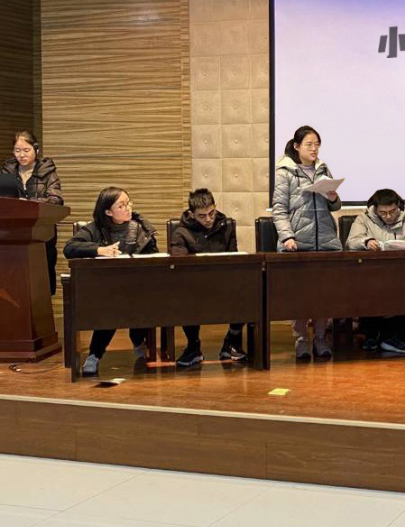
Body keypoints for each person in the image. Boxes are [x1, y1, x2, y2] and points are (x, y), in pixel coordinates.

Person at [63, 187, 157, 376]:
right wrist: (99, 250)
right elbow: (69, 248)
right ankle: (95, 354)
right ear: (108, 211)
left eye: (128, 203)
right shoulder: (95, 228)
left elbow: (153, 255)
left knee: (145, 300)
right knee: (112, 307)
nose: (128, 208)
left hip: (137, 286)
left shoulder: (140, 228)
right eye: (121, 205)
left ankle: (138, 340)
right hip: (105, 288)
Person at [272, 125, 342, 361]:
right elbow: (279, 209)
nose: (314, 149)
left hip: (325, 240)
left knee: (323, 294)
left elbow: (334, 206)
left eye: (317, 145)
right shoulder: (285, 172)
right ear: (297, 146)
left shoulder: (322, 168)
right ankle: (301, 339)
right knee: (299, 295)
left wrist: (333, 197)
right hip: (298, 242)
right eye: (309, 144)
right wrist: (287, 236)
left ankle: (321, 338)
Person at [169, 188, 248, 367]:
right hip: (194, 285)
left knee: (248, 289)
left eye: (211, 213)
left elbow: (233, 257)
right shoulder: (181, 233)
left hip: (224, 283)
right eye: (202, 216)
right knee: (184, 295)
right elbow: (179, 265)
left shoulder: (226, 226)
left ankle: (232, 341)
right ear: (192, 214)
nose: (209, 219)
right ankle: (193, 346)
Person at [346, 188, 405, 354]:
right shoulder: (363, 219)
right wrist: (366, 242)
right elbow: (351, 241)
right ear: (375, 209)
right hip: (371, 273)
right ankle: (373, 334)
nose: (389, 216)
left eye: (392, 211)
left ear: (398, 206)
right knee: (371, 289)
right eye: (383, 213)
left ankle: (394, 338)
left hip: (400, 274)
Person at [4, 131, 63, 294]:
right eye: (17, 151)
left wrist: (27, 203)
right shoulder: (7, 172)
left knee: (41, 284)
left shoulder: (48, 172)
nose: (21, 155)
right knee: (14, 285)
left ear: (36, 149)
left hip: (41, 234)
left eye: (26, 150)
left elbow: (56, 200)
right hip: (12, 236)